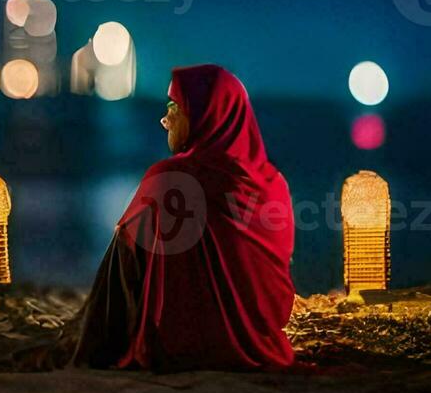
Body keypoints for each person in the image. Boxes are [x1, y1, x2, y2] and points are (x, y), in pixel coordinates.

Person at [74, 64, 296, 370]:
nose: (165, 120)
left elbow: (124, 265)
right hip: (261, 344)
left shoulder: (172, 179)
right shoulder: (274, 184)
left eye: (175, 106)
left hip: (178, 347)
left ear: (205, 114)